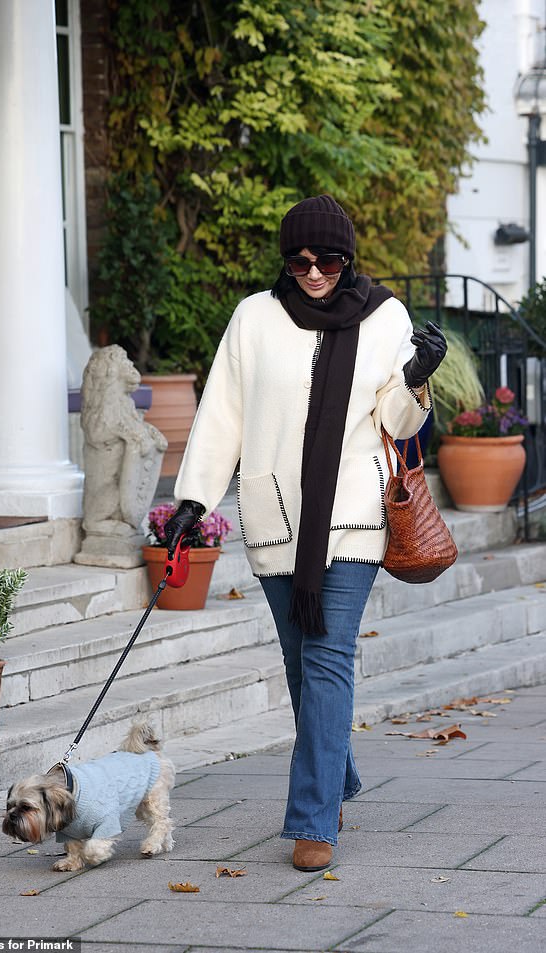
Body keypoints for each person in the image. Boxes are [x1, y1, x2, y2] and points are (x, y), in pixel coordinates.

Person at [164, 194, 446, 872]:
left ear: (350, 260)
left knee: (325, 657)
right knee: (300, 663)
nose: (314, 272)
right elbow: (221, 413)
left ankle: (313, 818)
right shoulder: (254, 317)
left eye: (328, 260)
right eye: (300, 261)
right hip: (274, 517)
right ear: (285, 261)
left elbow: (398, 422)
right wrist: (193, 500)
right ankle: (336, 772)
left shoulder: (385, 316)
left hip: (351, 516)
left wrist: (415, 375)